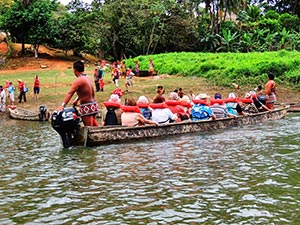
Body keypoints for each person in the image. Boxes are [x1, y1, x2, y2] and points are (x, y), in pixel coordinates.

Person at [57, 60, 99, 126]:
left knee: (89, 128)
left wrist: (63, 105)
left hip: (87, 106)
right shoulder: (88, 77)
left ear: (75, 70)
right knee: (94, 125)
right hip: (94, 105)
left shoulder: (78, 80)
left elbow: (70, 93)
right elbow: (85, 91)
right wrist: (77, 100)